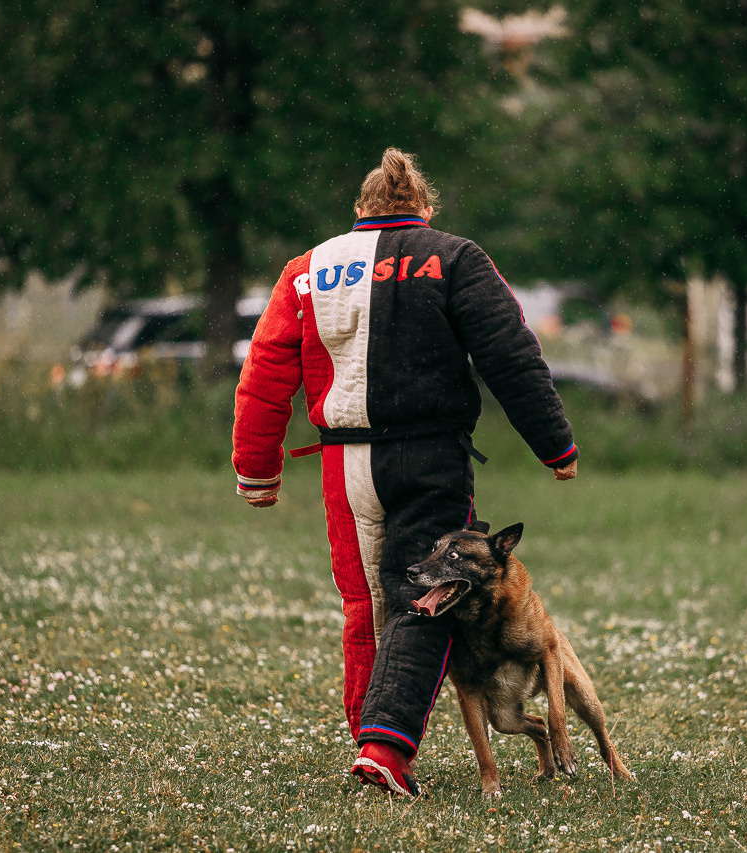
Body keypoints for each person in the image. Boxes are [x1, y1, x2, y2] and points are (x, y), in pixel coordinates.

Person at [232, 148, 578, 796]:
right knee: (426, 594)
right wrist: (554, 443)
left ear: (360, 211)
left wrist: (257, 470)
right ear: (424, 210)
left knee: (367, 601)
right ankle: (386, 748)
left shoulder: (307, 269)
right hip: (430, 457)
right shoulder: (454, 257)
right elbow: (511, 351)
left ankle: (369, 738)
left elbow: (265, 373)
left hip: (344, 462)